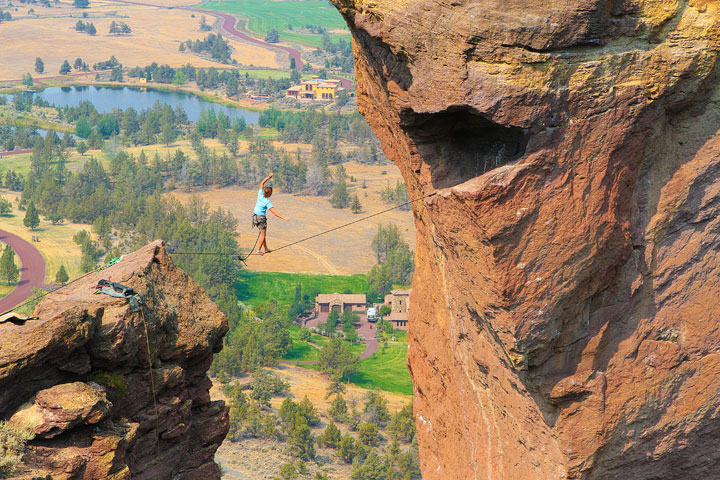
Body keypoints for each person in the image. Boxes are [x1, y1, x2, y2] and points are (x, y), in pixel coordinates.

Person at [253, 173, 289, 255]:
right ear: (270, 194)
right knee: (263, 235)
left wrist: (268, 177)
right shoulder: (267, 202)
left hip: (255, 217)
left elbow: (262, 183)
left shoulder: (260, 195)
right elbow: (275, 213)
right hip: (261, 219)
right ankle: (258, 250)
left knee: (263, 234)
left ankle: (265, 248)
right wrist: (284, 218)